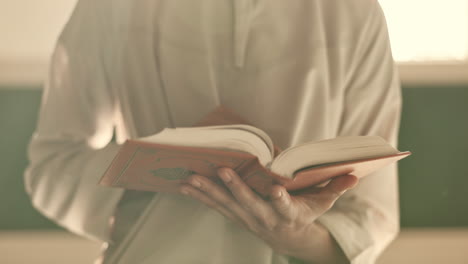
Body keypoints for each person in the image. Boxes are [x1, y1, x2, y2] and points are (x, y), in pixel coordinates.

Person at [24, 0, 402, 263]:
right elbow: (54, 164)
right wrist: (160, 166)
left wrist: (291, 234)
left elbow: (369, 214)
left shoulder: (354, 11)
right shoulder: (112, 5)